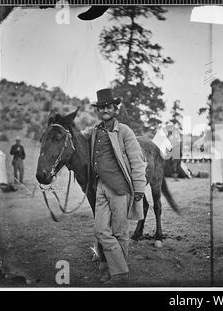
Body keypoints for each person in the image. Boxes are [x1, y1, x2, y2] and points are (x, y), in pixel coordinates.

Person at [83, 88, 147, 285]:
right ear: (98, 110)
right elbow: (75, 138)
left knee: (119, 232)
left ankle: (118, 275)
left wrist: (139, 189)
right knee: (100, 230)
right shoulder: (94, 131)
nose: (104, 110)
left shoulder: (125, 131)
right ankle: (116, 268)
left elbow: (137, 161)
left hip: (120, 188)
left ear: (115, 109)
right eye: (101, 107)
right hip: (100, 187)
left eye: (108, 107)